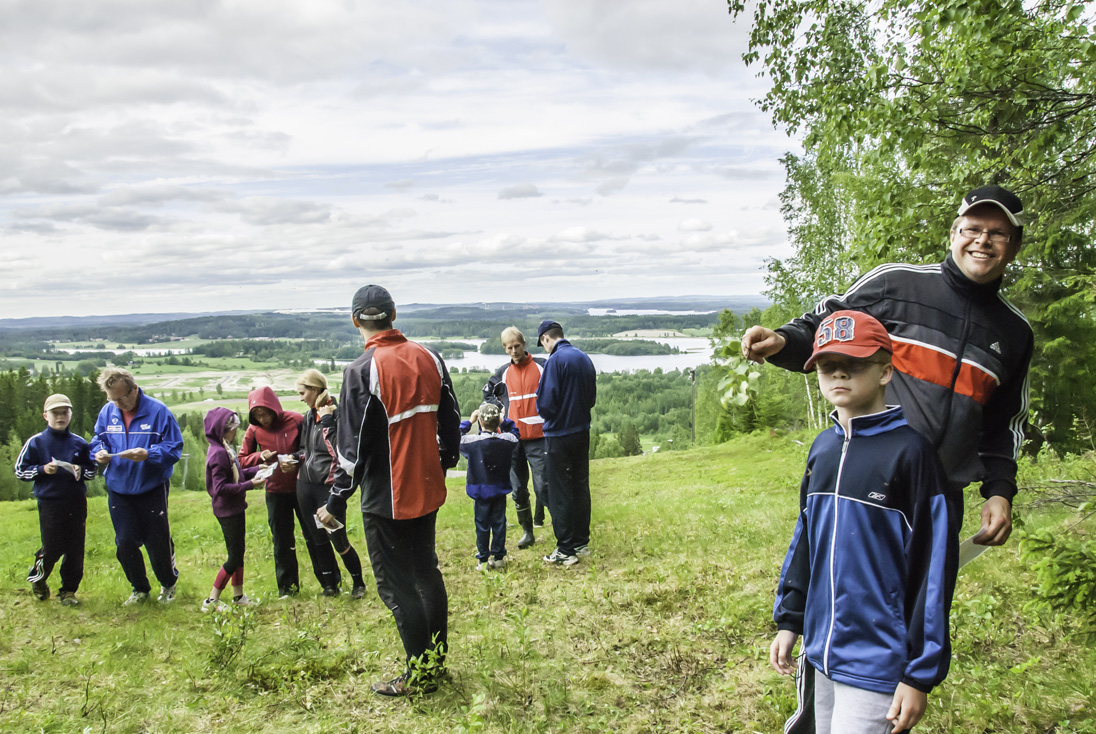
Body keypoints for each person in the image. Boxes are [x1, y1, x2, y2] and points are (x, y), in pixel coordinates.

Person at [742, 184, 1032, 548]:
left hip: (940, 498)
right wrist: (783, 342)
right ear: (954, 233)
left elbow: (1004, 422)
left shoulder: (1015, 332)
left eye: (998, 233)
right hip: (865, 482)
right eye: (973, 229)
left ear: (1015, 246)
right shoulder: (896, 285)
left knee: (924, 602)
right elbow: (827, 326)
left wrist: (999, 491)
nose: (983, 241)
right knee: (849, 591)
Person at [771, 310, 957, 734]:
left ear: (886, 371)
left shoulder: (911, 455)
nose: (838, 372)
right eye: (826, 364)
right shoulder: (822, 448)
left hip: (877, 659)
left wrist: (918, 674)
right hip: (820, 652)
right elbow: (806, 540)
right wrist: (791, 620)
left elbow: (934, 568)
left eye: (854, 363)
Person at [317, 284, 461, 697]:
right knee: (426, 573)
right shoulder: (428, 356)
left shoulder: (361, 371)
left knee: (397, 586)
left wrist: (334, 502)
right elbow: (450, 417)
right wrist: (444, 461)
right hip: (428, 485)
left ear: (355, 320)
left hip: (386, 496)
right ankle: (435, 663)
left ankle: (420, 676)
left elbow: (351, 451)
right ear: (394, 314)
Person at [90, 368, 183, 606]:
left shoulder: (158, 411)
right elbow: (97, 438)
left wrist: (149, 454)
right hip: (119, 487)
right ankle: (139, 589)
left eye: (123, 397)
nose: (119, 403)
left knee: (157, 541)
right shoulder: (107, 412)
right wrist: (98, 452)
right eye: (113, 399)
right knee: (125, 541)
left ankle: (168, 583)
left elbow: (174, 448)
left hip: (151, 486)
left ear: (134, 388)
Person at [240, 386, 339, 598]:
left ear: (274, 408)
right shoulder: (253, 430)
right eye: (257, 415)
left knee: (316, 535)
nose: (262, 418)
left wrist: (294, 458)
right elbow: (241, 460)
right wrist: (259, 457)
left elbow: (309, 448)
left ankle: (330, 583)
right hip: (275, 492)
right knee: (282, 540)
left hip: (301, 488)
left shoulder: (295, 420)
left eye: (265, 413)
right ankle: (287, 588)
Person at [16, 393, 98, 607]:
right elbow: (20, 471)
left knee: (75, 548)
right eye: (55, 413)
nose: (60, 417)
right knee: (52, 546)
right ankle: (39, 578)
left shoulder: (80, 443)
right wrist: (43, 469)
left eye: (64, 412)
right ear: (46, 416)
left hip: (76, 501)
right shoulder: (36, 442)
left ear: (70, 414)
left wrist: (80, 470)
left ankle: (69, 591)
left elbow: (92, 471)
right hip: (50, 503)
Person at [295, 369, 367, 600]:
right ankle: (330, 585)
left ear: (314, 390)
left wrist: (327, 421)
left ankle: (358, 583)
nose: (301, 398)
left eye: (302, 392)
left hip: (328, 487)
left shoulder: (337, 414)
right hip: (305, 485)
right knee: (317, 539)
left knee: (337, 536)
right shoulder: (308, 416)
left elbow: (341, 452)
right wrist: (295, 460)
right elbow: (306, 449)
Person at [535, 320, 597, 566]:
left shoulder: (554, 361)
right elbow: (591, 399)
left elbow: (546, 405)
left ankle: (565, 549)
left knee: (560, 490)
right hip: (582, 431)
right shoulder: (584, 358)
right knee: (581, 486)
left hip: (559, 435)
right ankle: (581, 542)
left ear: (545, 339)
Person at [483, 325, 549, 547]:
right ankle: (527, 532)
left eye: (517, 346)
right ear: (504, 349)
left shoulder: (542, 367)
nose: (514, 351)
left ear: (524, 344)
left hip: (540, 438)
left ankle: (560, 527)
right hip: (512, 439)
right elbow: (487, 394)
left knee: (543, 486)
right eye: (509, 347)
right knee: (518, 489)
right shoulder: (502, 373)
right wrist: (499, 410)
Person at [201, 408, 266, 612]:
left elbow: (236, 473)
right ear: (224, 429)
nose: (236, 432)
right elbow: (220, 488)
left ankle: (238, 596)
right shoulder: (219, 454)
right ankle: (212, 600)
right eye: (233, 429)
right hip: (227, 511)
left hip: (236, 508)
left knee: (239, 552)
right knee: (234, 557)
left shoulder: (225, 448)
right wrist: (250, 485)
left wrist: (257, 469)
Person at [460, 403, 520, 570]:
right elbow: (516, 434)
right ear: (497, 421)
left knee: (482, 525)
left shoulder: (472, 442)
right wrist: (504, 421)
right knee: (499, 523)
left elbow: (455, 436)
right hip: (500, 489)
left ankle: (483, 559)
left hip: (480, 491)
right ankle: (499, 556)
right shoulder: (506, 441)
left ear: (481, 421)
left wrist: (469, 422)